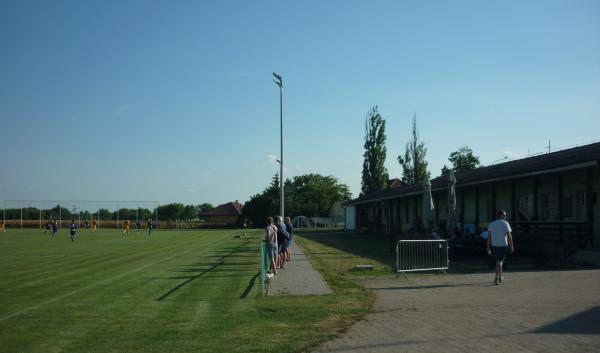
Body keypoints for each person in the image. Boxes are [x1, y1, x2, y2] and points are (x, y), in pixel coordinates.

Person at [487, 210, 514, 285]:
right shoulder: (505, 223)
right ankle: (496, 278)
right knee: (500, 261)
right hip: (503, 245)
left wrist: (488, 247)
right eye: (505, 215)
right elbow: (509, 236)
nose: (506, 216)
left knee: (499, 261)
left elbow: (489, 237)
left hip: (494, 245)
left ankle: (500, 276)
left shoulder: (491, 224)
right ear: (501, 215)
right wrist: (511, 245)